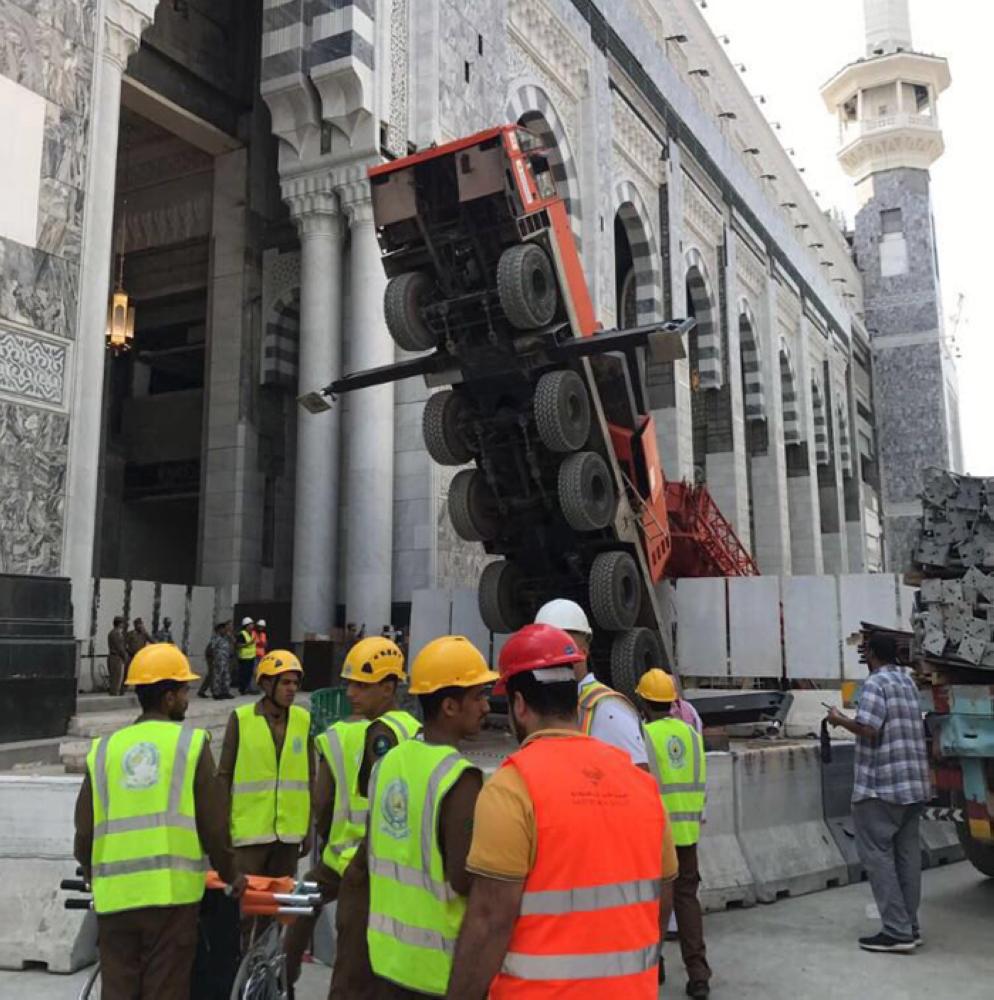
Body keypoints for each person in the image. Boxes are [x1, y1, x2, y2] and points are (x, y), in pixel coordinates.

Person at [446, 623, 676, 999]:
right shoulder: (640, 784)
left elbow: (489, 920)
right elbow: (662, 900)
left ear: (519, 704)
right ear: (574, 698)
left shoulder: (513, 788)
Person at [73, 643, 246, 1000]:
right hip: (170, 900)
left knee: (119, 990)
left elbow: (85, 829)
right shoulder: (190, 745)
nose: (188, 698)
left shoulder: (106, 749)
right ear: (168, 697)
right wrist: (232, 875)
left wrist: (91, 873)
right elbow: (214, 826)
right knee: (165, 989)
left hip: (115, 900)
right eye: (184, 691)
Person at [329, 635, 498, 999]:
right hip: (437, 971)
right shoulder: (459, 778)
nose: (486, 706)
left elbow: (373, 851)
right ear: (450, 706)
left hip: (388, 961)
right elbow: (465, 879)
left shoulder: (389, 762)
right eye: (478, 696)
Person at [284, 635, 421, 991]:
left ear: (389, 687)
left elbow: (325, 803)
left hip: (359, 864)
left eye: (361, 685)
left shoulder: (370, 735)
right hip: (382, 864)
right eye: (349, 684)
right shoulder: (412, 729)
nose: (350, 693)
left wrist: (336, 842)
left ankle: (284, 973)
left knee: (349, 963)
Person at [827, 631, 930, 954]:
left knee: (878, 857)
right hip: (913, 784)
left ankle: (897, 931)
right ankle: (910, 926)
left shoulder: (875, 684)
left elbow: (870, 728)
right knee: (907, 858)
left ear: (871, 653)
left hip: (881, 787)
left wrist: (840, 720)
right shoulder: (907, 683)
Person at [637, 669, 711, 998]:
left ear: (643, 702)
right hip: (688, 833)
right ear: (672, 701)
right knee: (686, 901)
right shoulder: (693, 735)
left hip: (656, 835)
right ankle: (698, 975)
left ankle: (654, 967)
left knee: (652, 904)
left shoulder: (644, 736)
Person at [216, 649, 312, 881]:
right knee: (246, 907)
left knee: (281, 905)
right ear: (267, 684)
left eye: (295, 683)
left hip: (288, 836)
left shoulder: (304, 719)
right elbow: (223, 776)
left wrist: (309, 829)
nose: (292, 689)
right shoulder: (241, 719)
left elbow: (311, 776)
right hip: (250, 835)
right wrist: (221, 828)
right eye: (285, 683)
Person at [534, 598, 649, 767]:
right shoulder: (542, 703)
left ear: (584, 651)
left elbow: (638, 777)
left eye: (564, 646)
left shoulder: (608, 709)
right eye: (547, 646)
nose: (554, 656)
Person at [201, 621, 234, 700]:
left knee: (226, 677)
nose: (224, 630)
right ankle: (216, 693)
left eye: (225, 629)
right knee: (217, 677)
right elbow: (210, 649)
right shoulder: (215, 638)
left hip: (225, 660)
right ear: (219, 630)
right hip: (218, 661)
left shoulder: (226, 638)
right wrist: (211, 660)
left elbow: (232, 644)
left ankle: (225, 692)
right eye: (223, 629)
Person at [235, 616, 257, 695]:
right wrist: (248, 644)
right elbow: (238, 645)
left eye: (252, 624)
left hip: (251, 657)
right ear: (246, 625)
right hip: (244, 657)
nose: (252, 626)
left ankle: (248, 688)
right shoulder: (242, 634)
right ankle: (242, 689)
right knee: (243, 674)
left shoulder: (253, 633)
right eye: (250, 624)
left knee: (249, 674)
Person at [107, 616, 127, 696]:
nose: (123, 625)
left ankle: (114, 693)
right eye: (122, 623)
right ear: (119, 624)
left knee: (115, 679)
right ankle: (114, 695)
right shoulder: (116, 633)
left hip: (114, 657)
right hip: (116, 657)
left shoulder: (113, 632)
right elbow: (119, 647)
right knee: (116, 679)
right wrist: (125, 656)